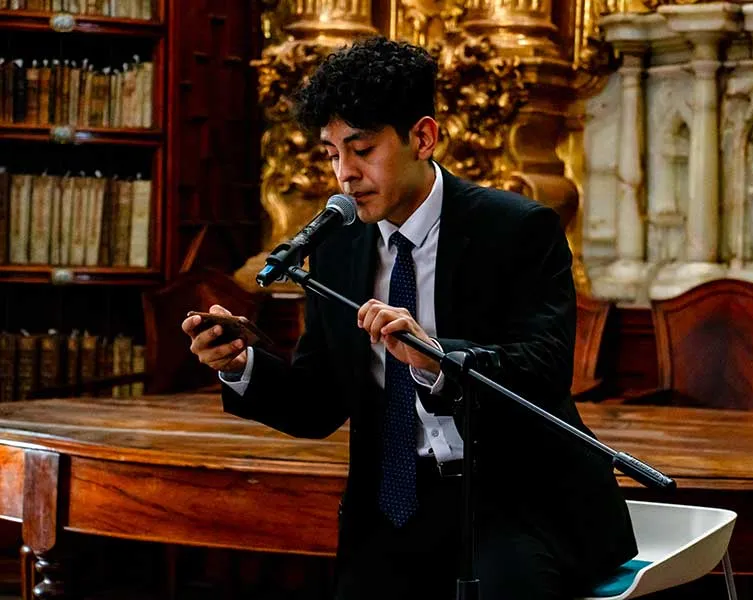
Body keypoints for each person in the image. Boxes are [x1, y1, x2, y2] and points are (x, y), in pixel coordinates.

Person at [183, 36, 636, 600]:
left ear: (423, 137)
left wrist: (439, 360)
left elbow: (543, 372)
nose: (344, 174)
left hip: (513, 497)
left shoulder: (519, 228)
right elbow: (318, 402)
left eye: (362, 149)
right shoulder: (336, 247)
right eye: (330, 154)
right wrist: (242, 364)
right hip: (391, 507)